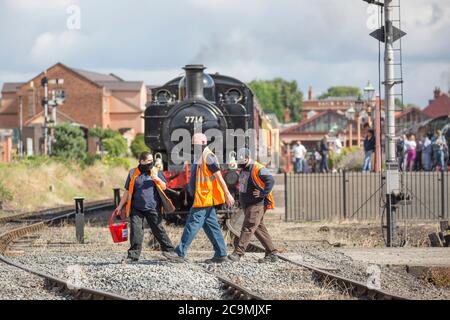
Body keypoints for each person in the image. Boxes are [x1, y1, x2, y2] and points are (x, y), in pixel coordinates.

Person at [166, 133, 235, 263]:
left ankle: (180, 252)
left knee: (192, 223)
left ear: (203, 143)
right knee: (212, 226)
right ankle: (221, 253)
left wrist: (227, 194)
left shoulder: (208, 157)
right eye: (192, 144)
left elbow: (219, 177)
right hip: (203, 196)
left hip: (205, 197)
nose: (193, 146)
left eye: (195, 144)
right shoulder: (201, 156)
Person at [114, 152, 178, 263]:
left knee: (158, 229)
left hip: (152, 206)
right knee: (136, 231)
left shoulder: (155, 171)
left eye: (151, 160)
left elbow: (164, 186)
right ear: (141, 161)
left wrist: (156, 178)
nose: (151, 162)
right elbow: (127, 191)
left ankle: (170, 251)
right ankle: (133, 256)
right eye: (148, 161)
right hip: (136, 207)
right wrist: (120, 206)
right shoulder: (133, 172)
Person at [228, 148, 278, 263]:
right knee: (259, 228)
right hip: (248, 204)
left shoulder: (258, 168)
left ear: (247, 158)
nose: (239, 162)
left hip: (257, 204)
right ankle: (272, 253)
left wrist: (263, 193)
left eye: (241, 160)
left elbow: (270, 180)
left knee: (248, 227)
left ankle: (238, 253)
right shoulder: (243, 168)